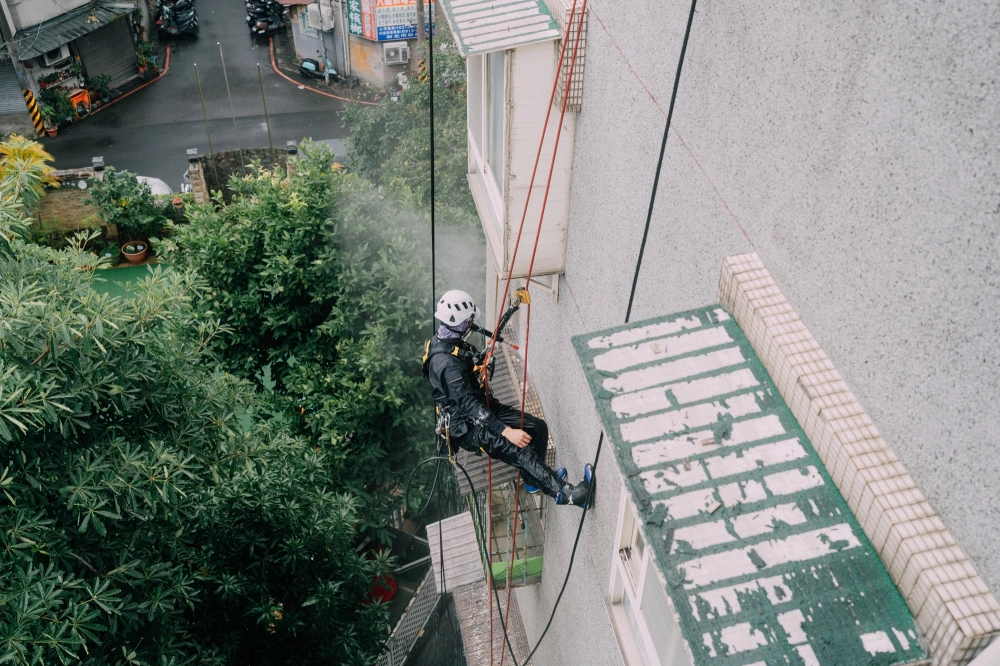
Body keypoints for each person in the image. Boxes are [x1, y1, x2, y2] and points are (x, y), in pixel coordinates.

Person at [423, 289, 592, 507]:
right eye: (468, 321)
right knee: (518, 449)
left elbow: (463, 377)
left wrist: (479, 363)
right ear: (458, 322)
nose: (471, 324)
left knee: (537, 428)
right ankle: (569, 495)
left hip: (482, 408)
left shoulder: (447, 341)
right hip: (468, 427)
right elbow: (469, 406)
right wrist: (506, 431)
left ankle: (534, 481)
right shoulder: (446, 365)